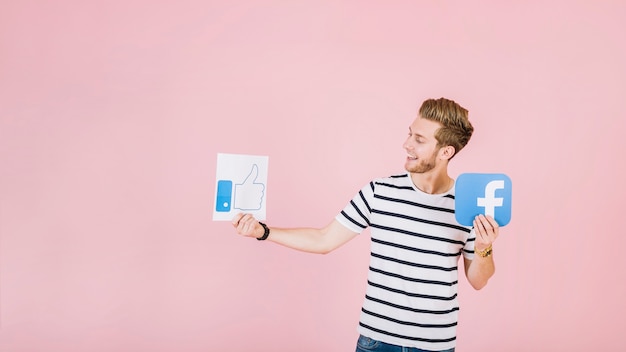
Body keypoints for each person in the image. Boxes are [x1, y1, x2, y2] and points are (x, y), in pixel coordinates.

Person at [232, 97, 499, 352]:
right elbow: (324, 240)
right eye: (409, 134)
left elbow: (478, 281)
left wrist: (484, 247)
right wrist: (263, 232)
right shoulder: (379, 191)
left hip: (435, 344)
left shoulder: (468, 205)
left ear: (445, 151)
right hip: (376, 341)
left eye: (418, 139)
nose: (406, 144)